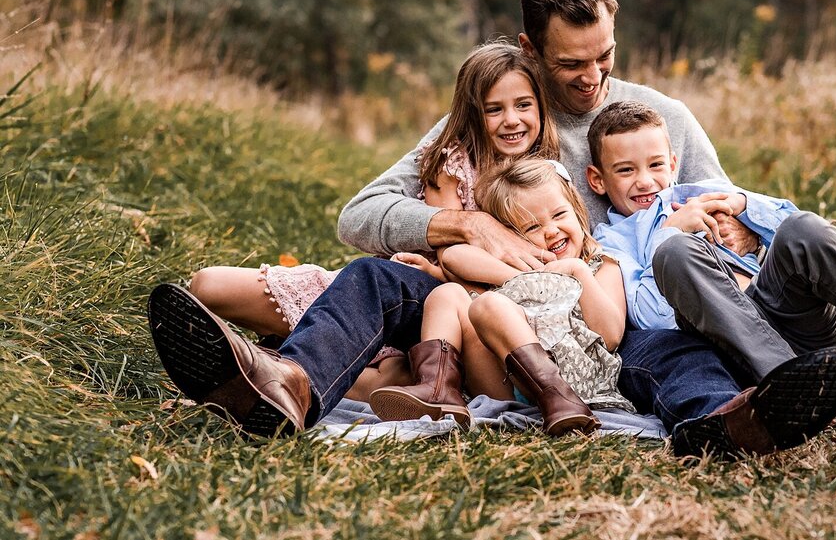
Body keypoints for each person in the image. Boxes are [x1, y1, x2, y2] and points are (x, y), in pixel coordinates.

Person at [147, 0, 836, 459]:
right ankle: (289, 386)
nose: (592, 79)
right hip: (478, 293)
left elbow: (718, 225)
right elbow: (362, 210)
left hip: (606, 304)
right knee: (369, 279)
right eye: (571, 64)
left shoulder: (660, 118)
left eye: (604, 57)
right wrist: (465, 222)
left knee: (675, 348)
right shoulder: (499, 108)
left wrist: (724, 228)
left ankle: (727, 422)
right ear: (529, 47)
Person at [180, 41, 556, 399]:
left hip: (447, 315)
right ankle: (272, 355)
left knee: (398, 378)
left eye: (523, 105)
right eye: (494, 109)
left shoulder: (548, 176)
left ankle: (266, 366)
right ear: (474, 113)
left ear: (540, 106)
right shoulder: (453, 164)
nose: (511, 120)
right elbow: (448, 256)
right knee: (207, 285)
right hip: (396, 288)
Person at [585, 101, 836, 382]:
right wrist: (669, 234)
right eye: (626, 170)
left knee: (802, 226)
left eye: (656, 165)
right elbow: (651, 318)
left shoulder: (701, 193)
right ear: (598, 180)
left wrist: (744, 207)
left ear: (674, 164)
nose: (645, 181)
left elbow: (803, 233)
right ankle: (795, 385)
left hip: (790, 319)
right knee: (676, 253)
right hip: (734, 348)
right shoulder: (611, 243)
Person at [369, 159, 629, 436]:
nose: (550, 230)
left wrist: (577, 271)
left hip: (578, 385)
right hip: (507, 383)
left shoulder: (598, 264)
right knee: (447, 294)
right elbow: (457, 256)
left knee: (489, 304)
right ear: (513, 238)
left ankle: (559, 398)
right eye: (531, 228)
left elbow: (611, 335)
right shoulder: (521, 269)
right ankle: (438, 391)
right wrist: (532, 273)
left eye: (559, 215)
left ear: (577, 212)